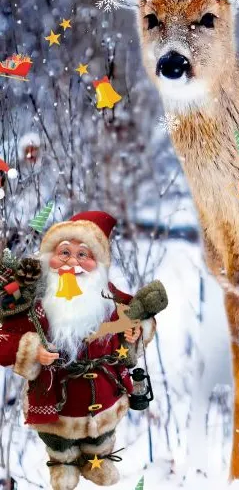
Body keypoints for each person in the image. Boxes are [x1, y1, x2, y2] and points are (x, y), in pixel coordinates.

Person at [0, 210, 156, 490]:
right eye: (64, 252)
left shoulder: (107, 294)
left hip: (105, 392)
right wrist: (32, 350)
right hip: (56, 396)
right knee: (59, 440)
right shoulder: (34, 299)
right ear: (50, 255)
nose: (72, 262)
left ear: (98, 262)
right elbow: (5, 338)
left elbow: (136, 312)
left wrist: (136, 330)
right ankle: (63, 463)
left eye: (83, 254)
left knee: (102, 434)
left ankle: (99, 458)